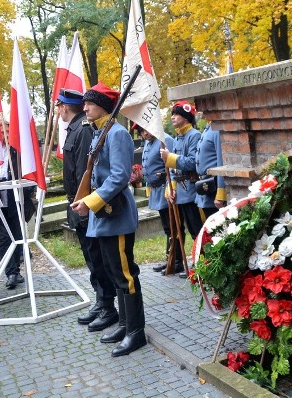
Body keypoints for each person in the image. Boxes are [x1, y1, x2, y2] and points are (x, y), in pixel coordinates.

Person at [70, 82, 146, 357]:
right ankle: (125, 324)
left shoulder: (116, 134)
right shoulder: (100, 133)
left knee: (126, 274)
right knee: (114, 273)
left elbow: (118, 176)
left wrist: (90, 202)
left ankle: (136, 332)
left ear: (103, 104)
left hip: (117, 214)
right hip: (103, 215)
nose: (84, 107)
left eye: (89, 103)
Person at [56, 88, 117, 331]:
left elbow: (85, 170)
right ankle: (102, 300)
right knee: (92, 258)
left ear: (64, 106)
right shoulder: (75, 129)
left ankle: (107, 305)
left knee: (97, 258)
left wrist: (83, 203)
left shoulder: (82, 130)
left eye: (58, 105)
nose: (57, 110)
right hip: (78, 202)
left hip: (85, 203)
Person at [0, 130, 37, 290]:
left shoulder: (18, 152)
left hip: (16, 201)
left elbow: (29, 174)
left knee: (16, 234)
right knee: (3, 238)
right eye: (2, 131)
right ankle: (11, 273)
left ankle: (17, 269)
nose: (6, 134)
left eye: (8, 131)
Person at [159, 100, 201, 277]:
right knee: (179, 229)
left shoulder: (194, 135)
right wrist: (171, 188)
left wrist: (171, 157)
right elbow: (175, 170)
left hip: (191, 191)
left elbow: (192, 162)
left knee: (196, 230)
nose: (173, 117)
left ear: (185, 117)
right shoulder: (177, 137)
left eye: (176, 114)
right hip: (180, 191)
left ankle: (201, 265)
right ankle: (186, 263)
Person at [136, 124, 175, 274]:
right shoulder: (149, 142)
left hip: (166, 188)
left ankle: (175, 260)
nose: (144, 134)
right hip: (156, 190)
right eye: (141, 132)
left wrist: (170, 186)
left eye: (146, 130)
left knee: (172, 226)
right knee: (166, 226)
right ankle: (169, 258)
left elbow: (172, 164)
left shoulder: (166, 140)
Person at [194, 112, 226, 220]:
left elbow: (221, 161)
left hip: (215, 188)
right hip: (206, 187)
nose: (198, 111)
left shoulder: (216, 130)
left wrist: (221, 192)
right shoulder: (207, 129)